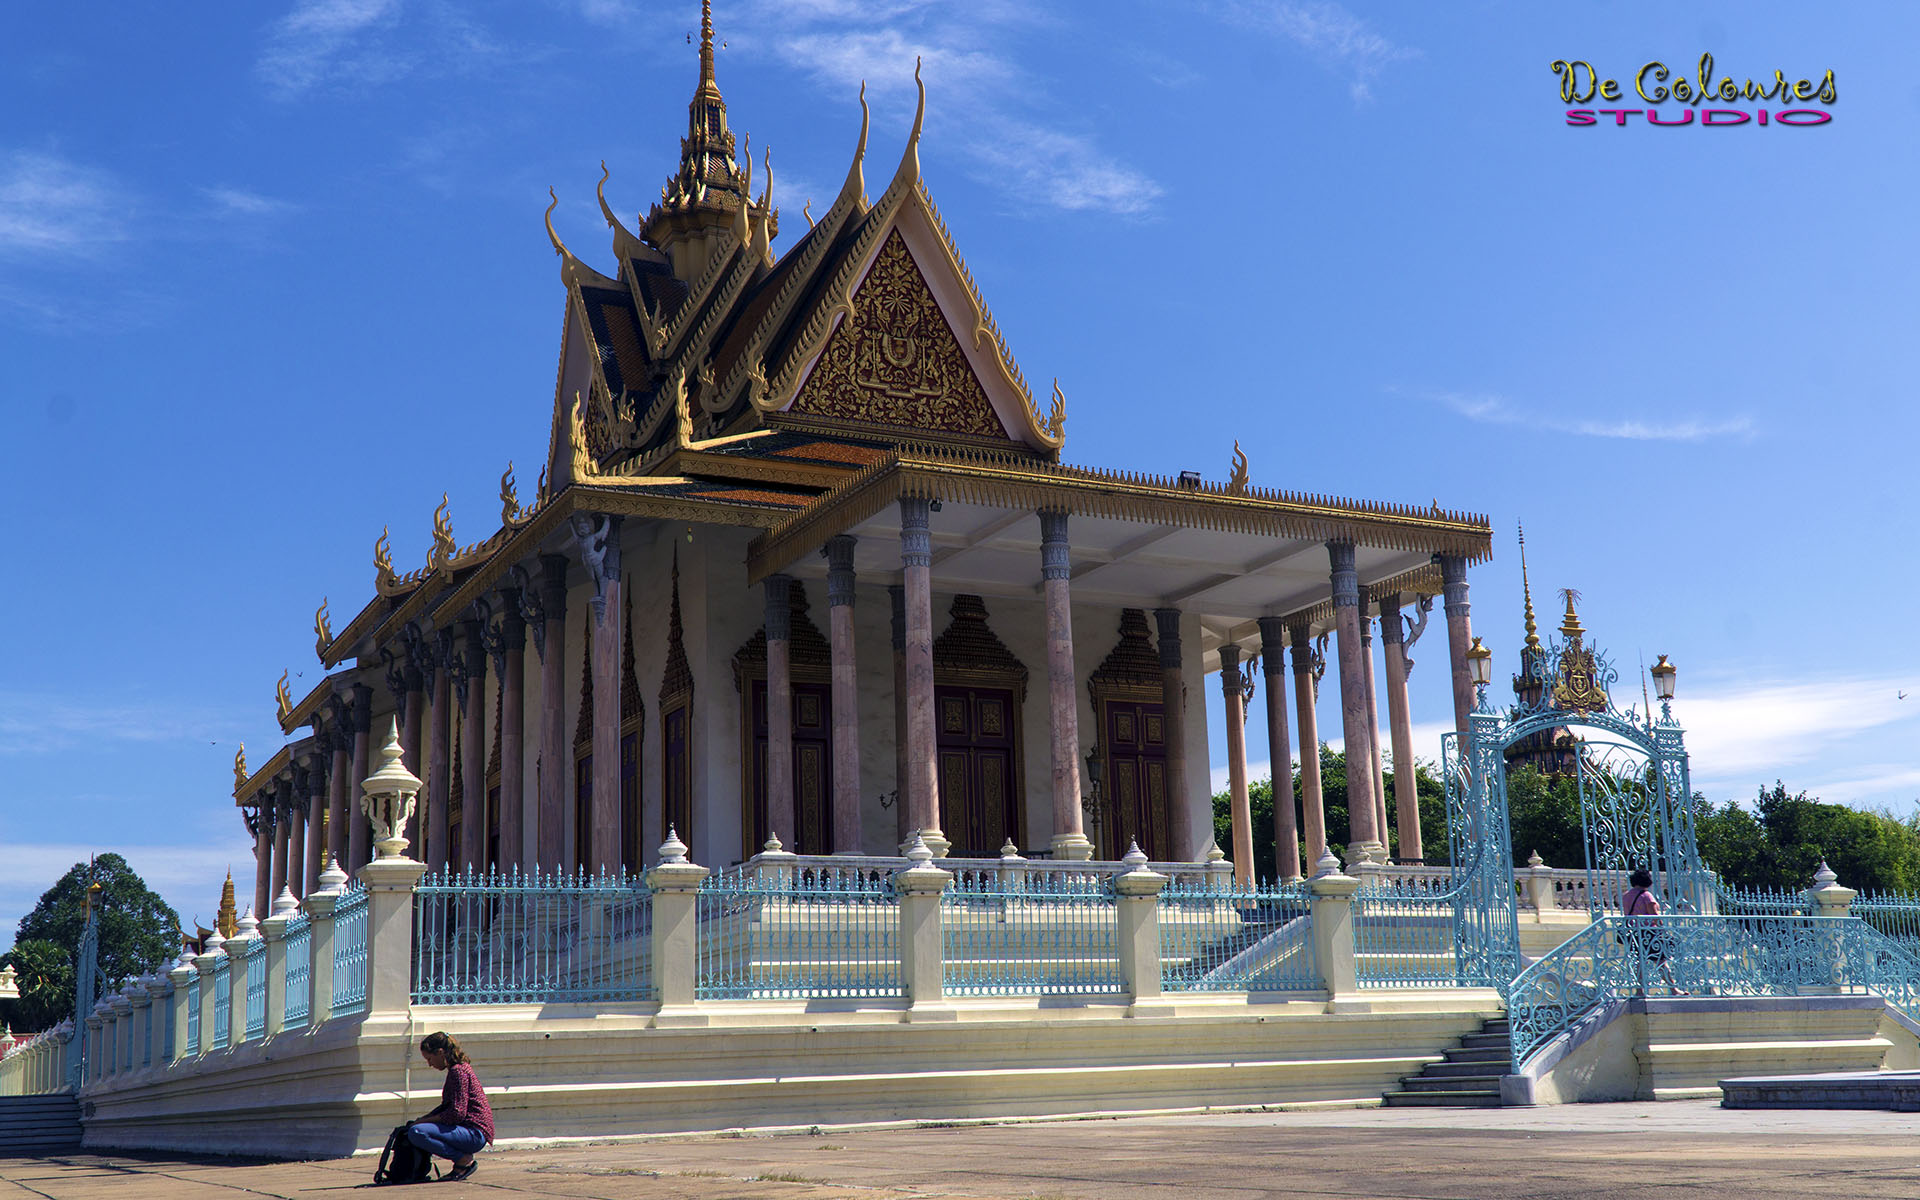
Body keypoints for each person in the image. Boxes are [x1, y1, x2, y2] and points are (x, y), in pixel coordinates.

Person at [407, 1031, 493, 1181]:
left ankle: (462, 1160)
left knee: (417, 1132)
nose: (429, 1064)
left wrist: (424, 1122)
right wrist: (424, 1118)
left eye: (429, 1058)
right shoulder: (458, 1069)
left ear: (440, 1053)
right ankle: (461, 1162)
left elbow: (456, 1113)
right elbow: (447, 1107)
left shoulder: (458, 1072)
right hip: (470, 1132)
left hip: (475, 1133)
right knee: (416, 1127)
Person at [1620, 870, 1686, 995]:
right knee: (1661, 962)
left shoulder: (1626, 895)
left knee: (1640, 962)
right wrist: (1663, 930)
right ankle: (1673, 989)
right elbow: (1654, 916)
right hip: (1649, 933)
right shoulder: (1647, 896)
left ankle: (1639, 990)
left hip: (1634, 932)